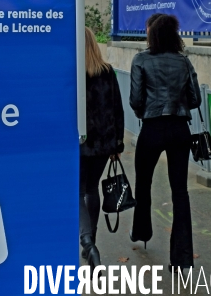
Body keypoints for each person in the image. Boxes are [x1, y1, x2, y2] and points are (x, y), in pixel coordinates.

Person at [129, 13, 201, 271]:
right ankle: (181, 257)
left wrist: (146, 112)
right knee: (180, 192)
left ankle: (141, 231)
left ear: (152, 34)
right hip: (179, 127)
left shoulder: (141, 60)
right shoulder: (183, 61)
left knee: (143, 182)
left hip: (152, 127)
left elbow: (136, 100)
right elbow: (195, 100)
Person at [80, 27, 125, 273]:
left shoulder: (72, 73)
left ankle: (87, 241)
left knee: (76, 192)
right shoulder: (107, 72)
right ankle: (92, 243)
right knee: (91, 189)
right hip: (102, 144)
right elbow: (117, 109)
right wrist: (117, 144)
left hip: (77, 143)